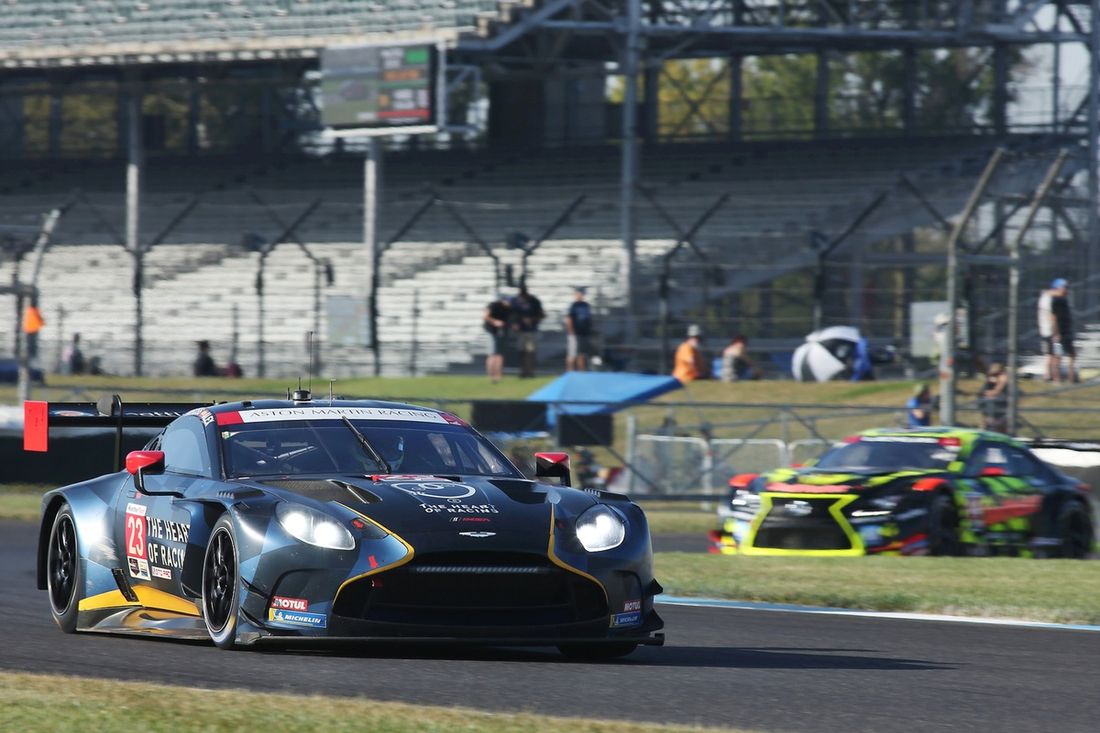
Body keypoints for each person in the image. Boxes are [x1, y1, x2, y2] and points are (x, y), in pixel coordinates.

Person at [510, 286, 544, 378]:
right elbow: (512, 314)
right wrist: (514, 323)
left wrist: (532, 320)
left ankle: (531, 371)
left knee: (530, 351)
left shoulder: (534, 301)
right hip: (521, 331)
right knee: (521, 351)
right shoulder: (516, 301)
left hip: (531, 330)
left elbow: (541, 314)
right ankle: (523, 371)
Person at [1049, 278, 1077, 383]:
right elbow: (1053, 318)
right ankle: (1056, 379)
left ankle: (1071, 378)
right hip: (1059, 333)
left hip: (1067, 331)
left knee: (1072, 354)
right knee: (1058, 357)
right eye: (1064, 287)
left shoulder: (1065, 300)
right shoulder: (1055, 300)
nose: (1066, 289)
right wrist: (1056, 333)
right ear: (1057, 288)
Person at [483, 293, 511, 383]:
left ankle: (498, 375)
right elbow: (486, 316)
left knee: (499, 355)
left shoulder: (508, 309)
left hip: (501, 333)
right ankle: (491, 376)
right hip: (491, 332)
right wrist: (495, 321)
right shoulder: (494, 305)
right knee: (492, 354)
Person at [564, 286, 594, 371]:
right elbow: (569, 319)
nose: (581, 295)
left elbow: (588, 319)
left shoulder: (586, 305)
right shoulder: (573, 306)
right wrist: (571, 332)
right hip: (575, 334)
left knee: (582, 354)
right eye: (579, 293)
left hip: (584, 333)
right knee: (572, 355)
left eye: (582, 293)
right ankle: (569, 372)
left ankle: (582, 373)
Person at [980, 363, 1009, 433]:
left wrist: (991, 393)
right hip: (992, 404)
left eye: (996, 374)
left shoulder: (1003, 377)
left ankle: (992, 425)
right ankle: (988, 426)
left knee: (990, 402)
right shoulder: (991, 379)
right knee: (987, 402)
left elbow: (997, 391)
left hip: (1002, 402)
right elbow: (983, 392)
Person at [1037, 282, 1056, 381]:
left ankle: (1048, 374)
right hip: (1048, 330)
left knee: (1049, 354)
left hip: (1045, 330)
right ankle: (1048, 374)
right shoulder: (1047, 299)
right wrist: (1054, 330)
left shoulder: (1043, 299)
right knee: (1050, 354)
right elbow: (1050, 315)